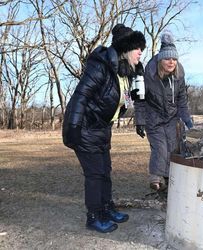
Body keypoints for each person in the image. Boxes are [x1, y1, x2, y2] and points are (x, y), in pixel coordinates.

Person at [62, 24, 146, 233]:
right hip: (84, 128)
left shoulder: (126, 73)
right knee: (95, 175)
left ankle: (107, 208)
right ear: (126, 49)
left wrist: (135, 94)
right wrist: (73, 127)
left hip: (102, 129)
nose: (141, 52)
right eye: (138, 48)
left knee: (105, 172)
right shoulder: (100, 66)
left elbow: (125, 103)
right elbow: (81, 95)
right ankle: (94, 216)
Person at [134, 32, 193, 191]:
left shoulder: (179, 74)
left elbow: (182, 98)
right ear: (161, 60)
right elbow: (139, 100)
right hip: (153, 116)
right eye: (168, 59)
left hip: (172, 117)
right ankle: (156, 178)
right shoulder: (147, 74)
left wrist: (187, 119)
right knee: (160, 147)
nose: (171, 62)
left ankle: (169, 179)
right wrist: (139, 121)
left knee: (173, 147)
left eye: (174, 59)